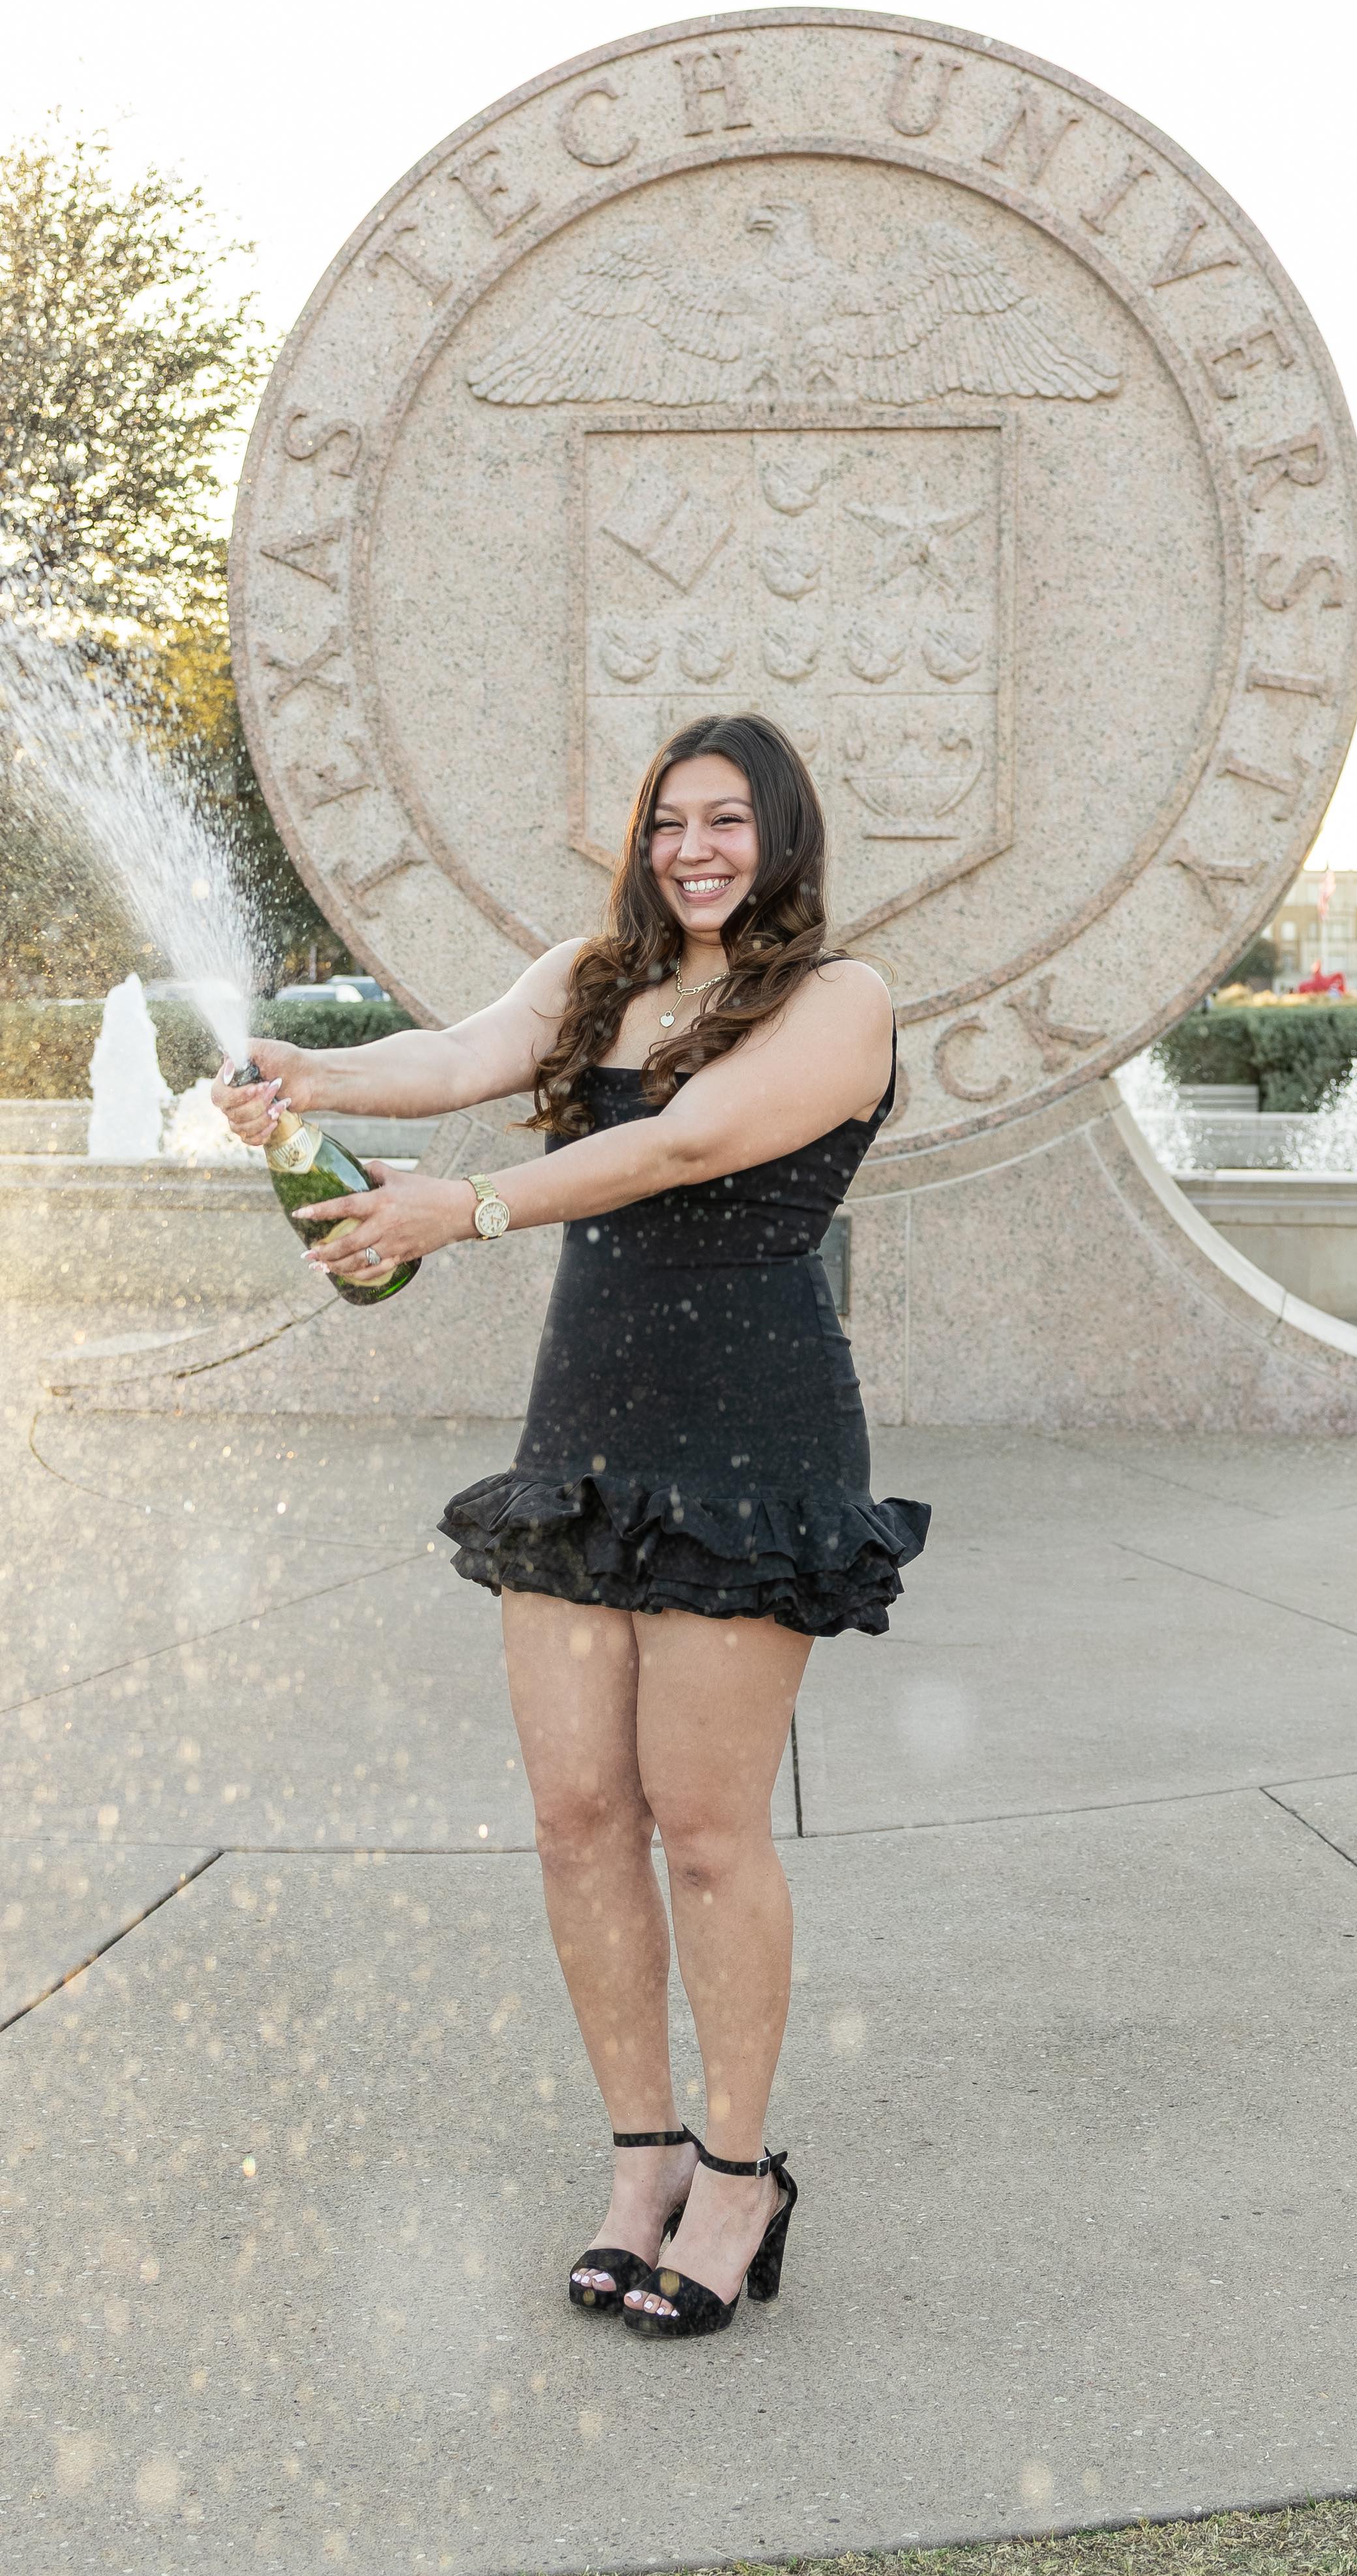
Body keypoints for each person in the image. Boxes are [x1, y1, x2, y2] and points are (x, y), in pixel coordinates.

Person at [213, 712, 927, 2341]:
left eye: (728, 820)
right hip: (584, 1425)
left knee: (704, 1826)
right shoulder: (593, 971)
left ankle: (743, 2175)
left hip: (750, 1436)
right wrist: (300, 1078)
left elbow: (683, 1141)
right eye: (670, 819)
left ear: (785, 834)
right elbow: (457, 1058)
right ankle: (644, 2158)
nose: (694, 848)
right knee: (575, 1813)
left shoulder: (840, 1000)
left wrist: (459, 1207)